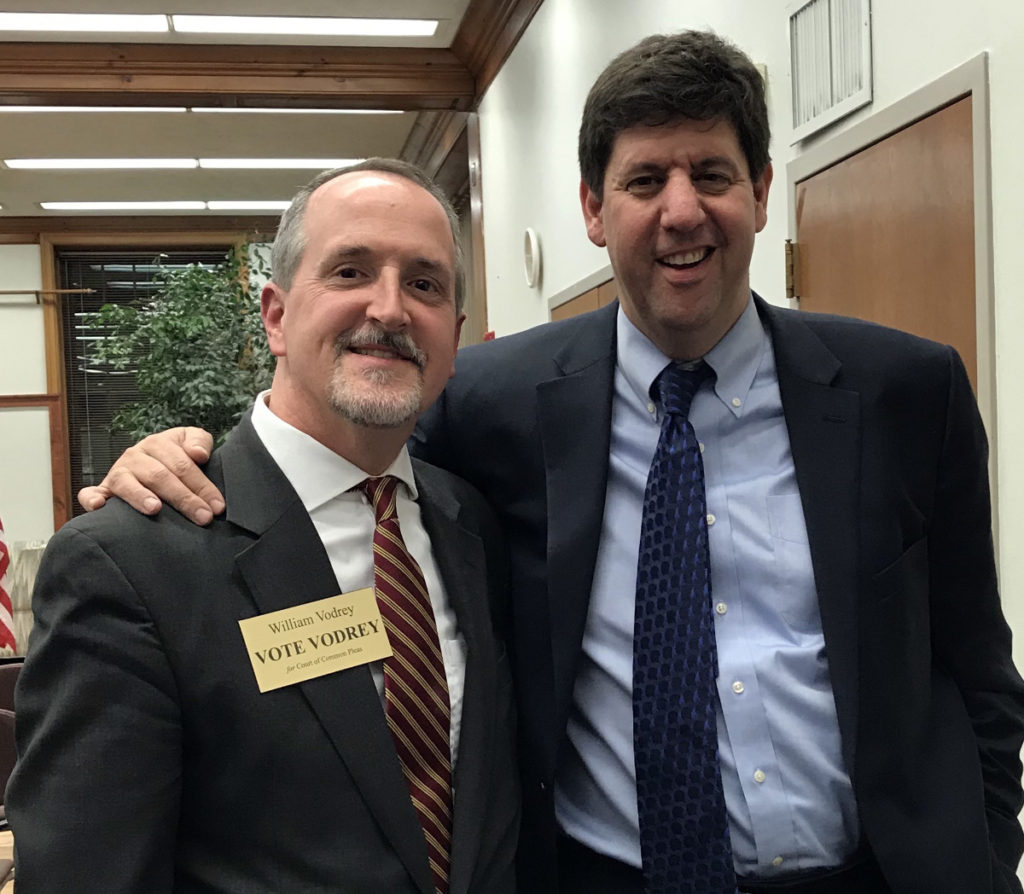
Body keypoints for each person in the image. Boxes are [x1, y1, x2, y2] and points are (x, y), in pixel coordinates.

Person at [79, 31, 1024, 894]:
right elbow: (343, 429)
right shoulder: (492, 404)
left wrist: (981, 855)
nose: (682, 211)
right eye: (646, 180)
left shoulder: (906, 391)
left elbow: (980, 673)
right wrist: (185, 454)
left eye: (713, 173)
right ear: (592, 209)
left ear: (764, 191)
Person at [9, 159, 519, 894]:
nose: (391, 308)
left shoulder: (472, 525)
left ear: (455, 334)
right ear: (276, 316)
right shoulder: (129, 560)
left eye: (425, 283)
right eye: (350, 272)